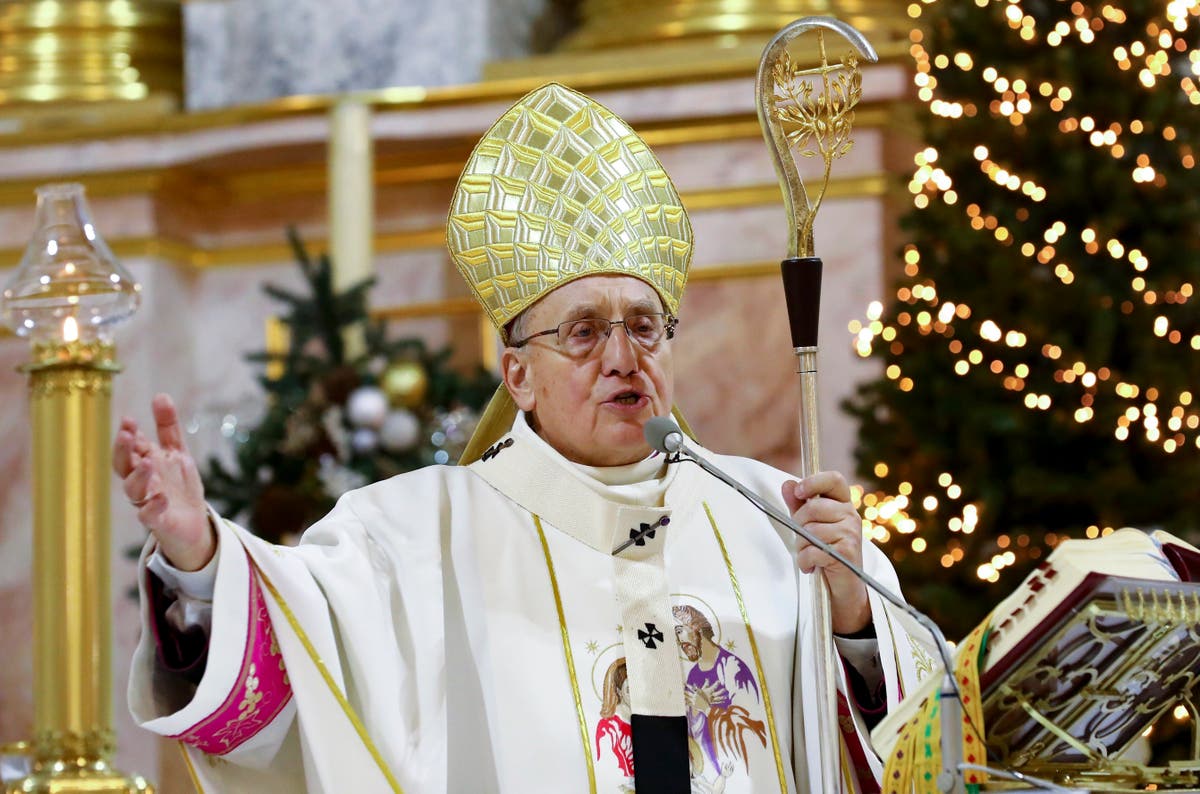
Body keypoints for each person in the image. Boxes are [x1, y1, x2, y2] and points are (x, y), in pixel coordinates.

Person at [117, 83, 935, 793]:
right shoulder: (408, 537)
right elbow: (289, 673)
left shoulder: (774, 518)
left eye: (645, 326)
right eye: (582, 333)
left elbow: (911, 749)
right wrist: (200, 563)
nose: (624, 357)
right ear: (517, 377)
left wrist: (857, 615)